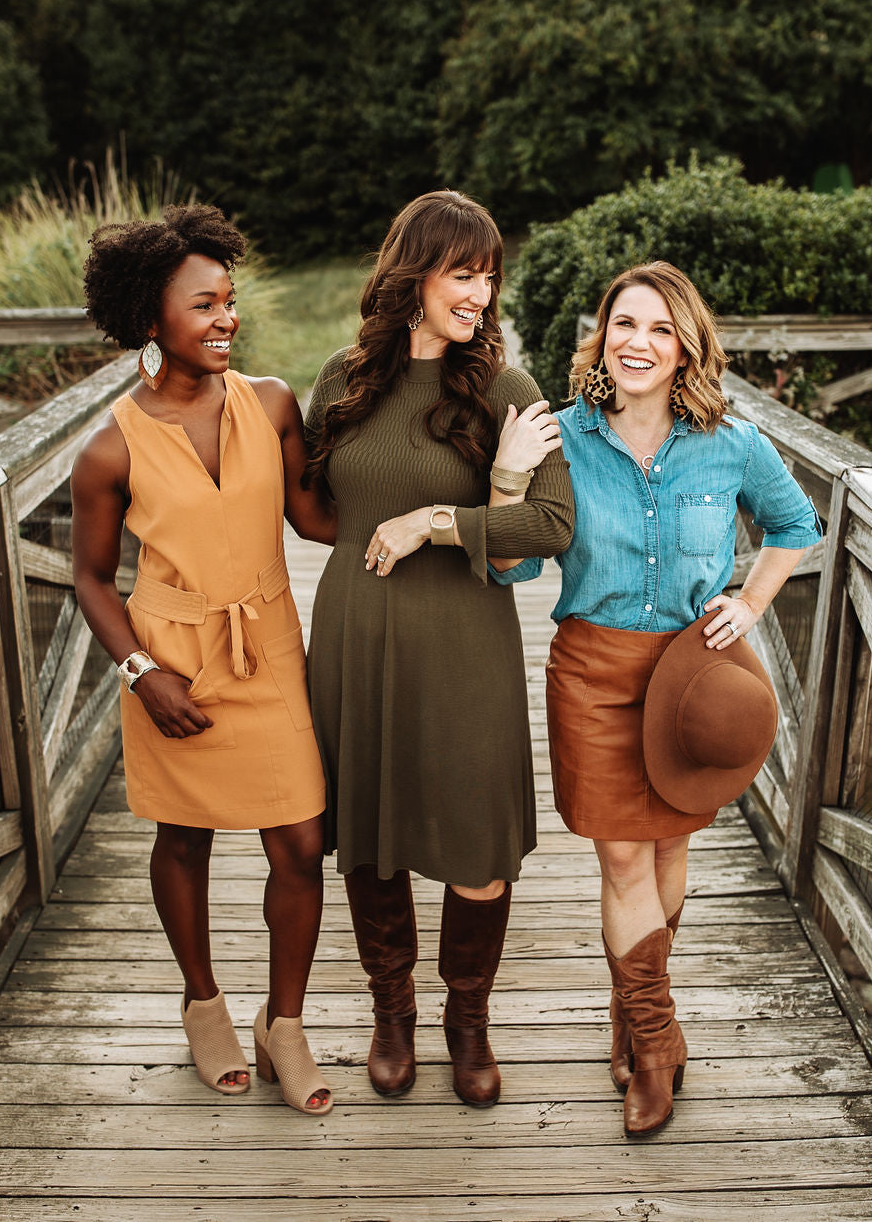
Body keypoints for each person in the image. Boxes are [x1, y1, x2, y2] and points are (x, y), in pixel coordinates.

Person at [490, 260, 821, 1135]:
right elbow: (510, 563)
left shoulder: (732, 442)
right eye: (625, 324)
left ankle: (635, 1016)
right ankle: (656, 1039)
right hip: (592, 672)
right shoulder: (562, 437)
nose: (639, 342)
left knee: (670, 846)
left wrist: (749, 600)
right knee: (624, 858)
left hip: (692, 676)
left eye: (661, 330)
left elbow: (797, 525)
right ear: (602, 338)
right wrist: (507, 481)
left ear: (686, 350)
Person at [303, 189, 574, 1108]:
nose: (482, 291)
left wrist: (437, 520)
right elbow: (312, 505)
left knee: (476, 841)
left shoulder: (507, 390)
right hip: (355, 632)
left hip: (465, 638)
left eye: (490, 273)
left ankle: (468, 1021)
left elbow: (549, 522)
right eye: (464, 271)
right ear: (411, 272)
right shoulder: (341, 379)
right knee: (370, 838)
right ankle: (392, 1015)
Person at [71, 204, 336, 1115]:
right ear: (152, 318)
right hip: (170, 657)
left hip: (268, 647)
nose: (227, 318)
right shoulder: (108, 446)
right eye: (204, 305)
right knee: (182, 835)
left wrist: (437, 501)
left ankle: (285, 1022)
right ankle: (202, 1001)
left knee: (302, 842)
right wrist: (143, 675)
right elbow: (93, 580)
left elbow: (318, 519)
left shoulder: (270, 402)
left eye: (231, 301)